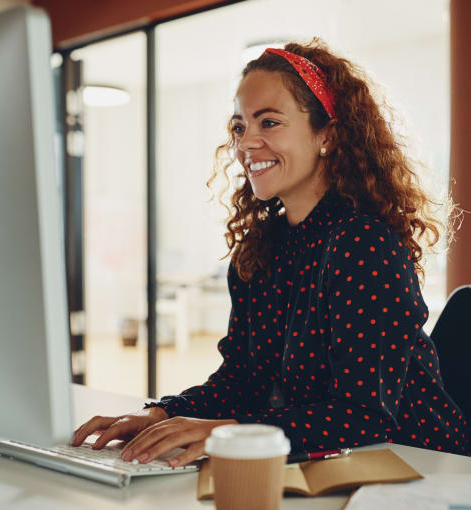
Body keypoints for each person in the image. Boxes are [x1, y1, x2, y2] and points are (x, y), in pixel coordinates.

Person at [72, 39, 469, 466]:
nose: (246, 144)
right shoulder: (259, 250)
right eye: (240, 126)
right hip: (330, 463)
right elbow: (241, 381)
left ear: (327, 136)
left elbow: (365, 417)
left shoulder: (366, 245)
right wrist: (159, 413)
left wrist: (228, 432)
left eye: (270, 123)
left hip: (422, 467)